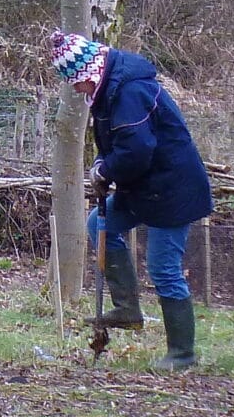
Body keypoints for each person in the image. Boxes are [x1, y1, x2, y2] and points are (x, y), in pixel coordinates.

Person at [48, 29, 215, 370]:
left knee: (163, 269)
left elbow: (137, 150)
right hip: (144, 187)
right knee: (100, 225)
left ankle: (182, 354)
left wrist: (106, 170)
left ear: (90, 70)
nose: (77, 89)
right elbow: (117, 143)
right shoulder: (109, 90)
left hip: (172, 190)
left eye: (77, 81)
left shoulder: (130, 92)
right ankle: (127, 309)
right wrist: (102, 165)